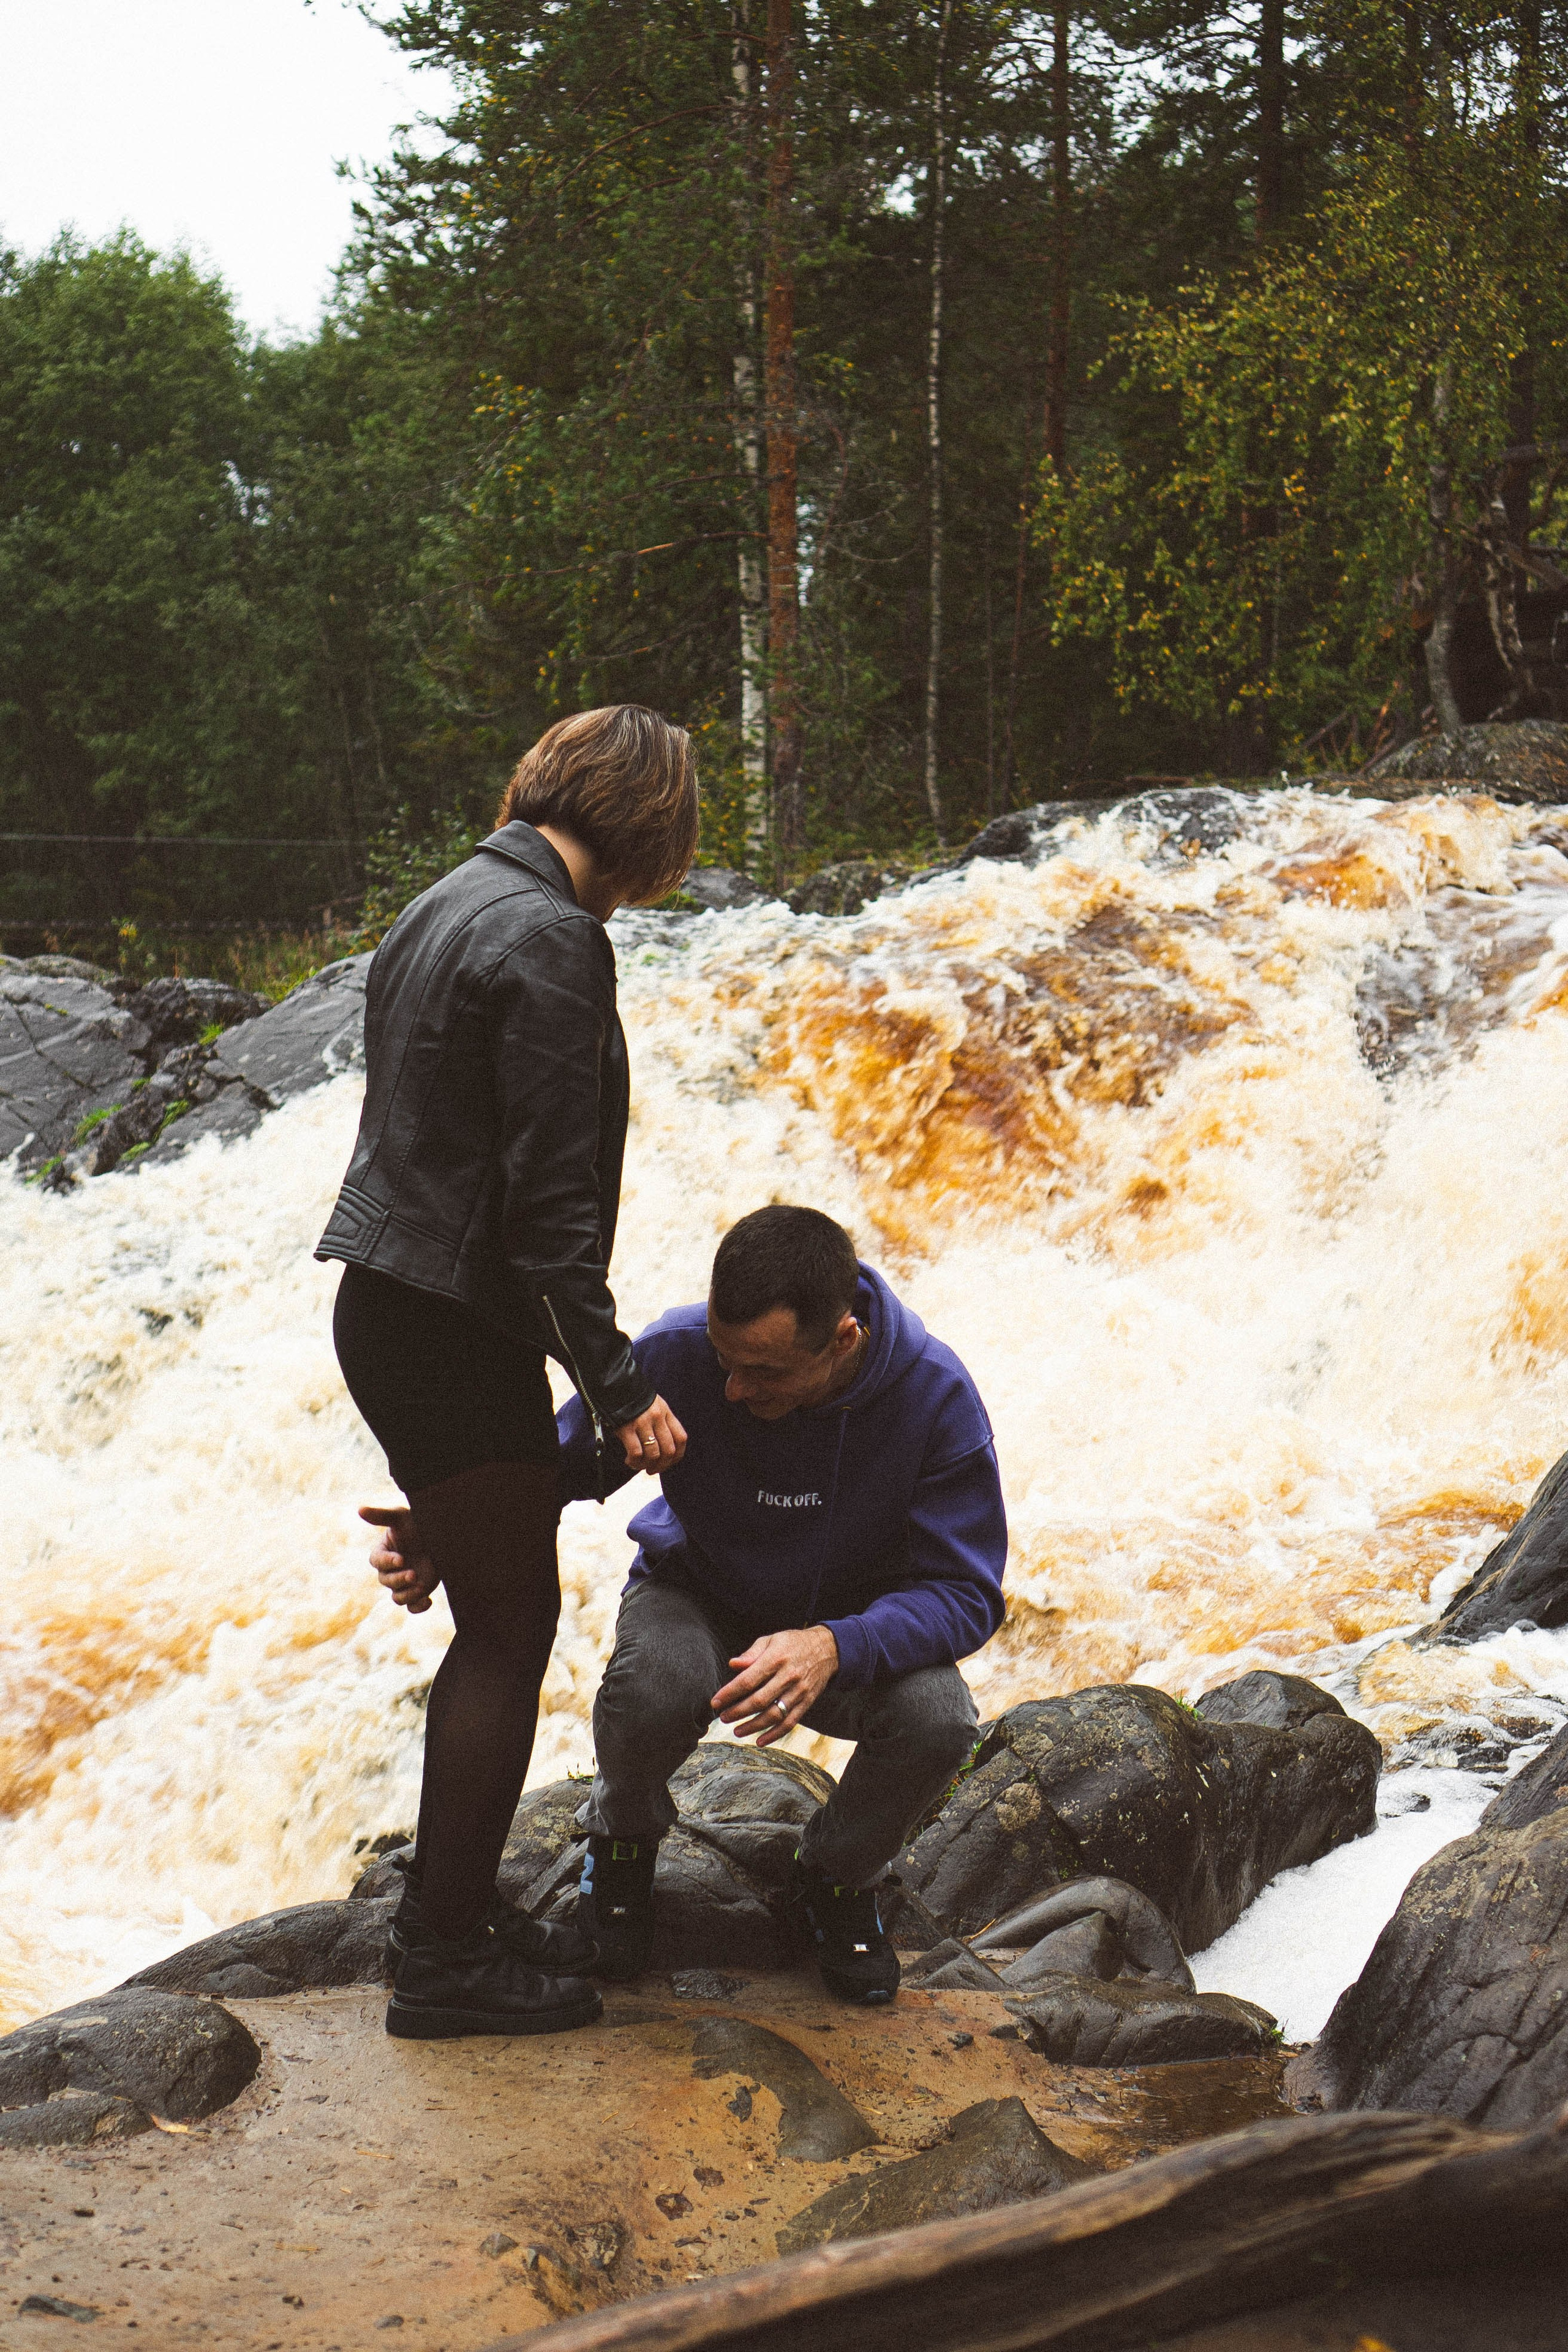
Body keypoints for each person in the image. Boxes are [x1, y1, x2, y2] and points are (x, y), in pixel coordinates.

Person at [371, 1204, 1007, 2007]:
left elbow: (966, 1594)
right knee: (655, 1682)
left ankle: (834, 1878)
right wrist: (448, 1532)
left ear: (842, 1340)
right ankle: (624, 1842)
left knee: (939, 1718)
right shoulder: (676, 1352)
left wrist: (833, 1646)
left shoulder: (935, 1399)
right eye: (724, 1361)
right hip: (698, 1593)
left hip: (844, 1636)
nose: (734, 1389)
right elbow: (558, 1466)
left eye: (767, 1373)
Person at [319, 704, 699, 2043]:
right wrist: (619, 1388)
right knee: (506, 1630)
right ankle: (442, 1960)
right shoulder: (551, 939)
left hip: (396, 1304)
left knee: (492, 1597)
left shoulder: (452, 898)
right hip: (453, 1322)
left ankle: (460, 1913)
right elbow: (546, 1221)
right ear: (653, 824)